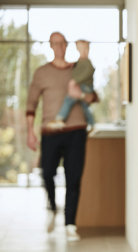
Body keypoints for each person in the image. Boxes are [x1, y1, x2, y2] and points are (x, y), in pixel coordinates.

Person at [26, 32, 97, 242]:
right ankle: (52, 204)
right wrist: (30, 132)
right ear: (50, 46)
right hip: (50, 132)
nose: (58, 47)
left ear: (67, 45)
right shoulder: (41, 73)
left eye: (62, 43)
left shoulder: (79, 69)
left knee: (73, 179)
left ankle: (70, 224)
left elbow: (92, 96)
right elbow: (31, 103)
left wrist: (80, 96)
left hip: (76, 131)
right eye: (54, 43)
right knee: (47, 173)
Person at [47, 39, 95, 129]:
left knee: (69, 99)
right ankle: (92, 124)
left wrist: (74, 81)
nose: (82, 51)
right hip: (82, 86)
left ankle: (59, 119)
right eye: (79, 48)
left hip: (85, 87)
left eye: (84, 48)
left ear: (87, 49)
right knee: (85, 107)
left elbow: (87, 72)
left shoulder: (87, 62)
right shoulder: (80, 62)